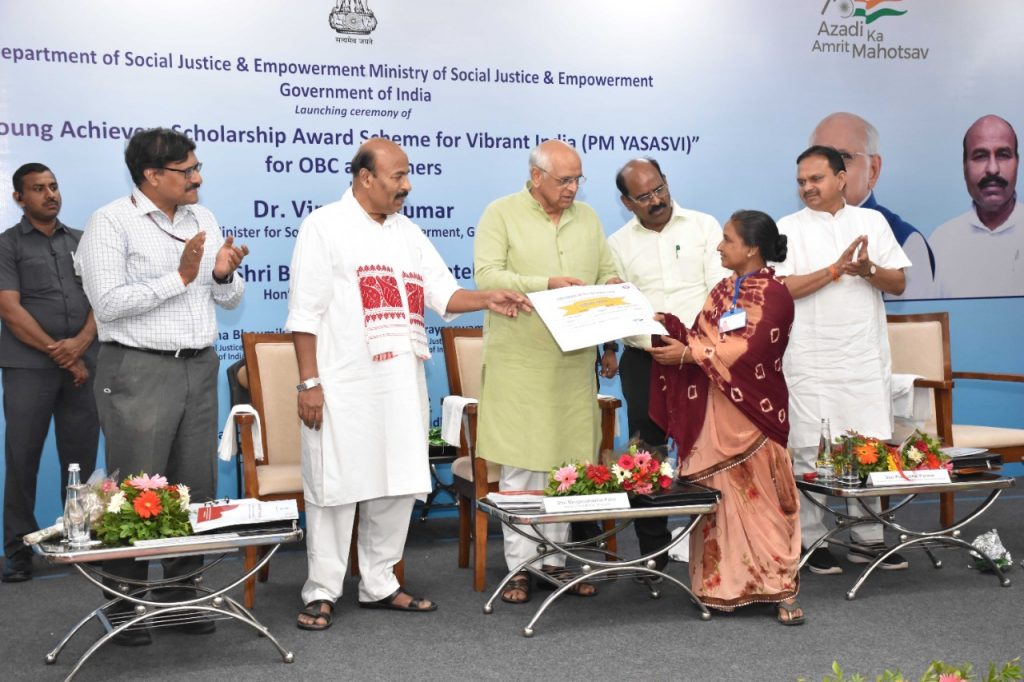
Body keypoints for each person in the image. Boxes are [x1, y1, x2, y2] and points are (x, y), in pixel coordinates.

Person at [287, 138, 530, 630]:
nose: (407, 185)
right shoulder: (324, 226)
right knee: (335, 488)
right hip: (342, 383)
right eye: (398, 176)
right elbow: (304, 314)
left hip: (400, 382)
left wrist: (488, 298)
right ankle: (322, 590)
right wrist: (309, 382)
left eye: (407, 175)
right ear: (365, 178)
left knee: (396, 483)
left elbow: (444, 294)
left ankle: (379, 583)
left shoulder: (408, 233)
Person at [78, 127, 248, 646]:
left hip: (198, 367)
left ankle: (181, 596)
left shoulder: (203, 218)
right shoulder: (111, 222)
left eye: (197, 168)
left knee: (194, 486)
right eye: (186, 170)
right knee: (137, 490)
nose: (197, 178)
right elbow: (108, 304)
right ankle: (125, 602)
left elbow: (229, 299)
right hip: (138, 368)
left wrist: (222, 275)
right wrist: (180, 277)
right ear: (152, 175)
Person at [474, 140, 620, 604]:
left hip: (573, 364)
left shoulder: (589, 218)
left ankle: (555, 563)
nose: (572, 188)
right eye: (564, 180)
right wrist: (545, 285)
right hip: (521, 361)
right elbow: (487, 276)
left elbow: (606, 270)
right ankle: (520, 568)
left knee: (565, 465)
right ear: (536, 176)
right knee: (521, 466)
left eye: (578, 179)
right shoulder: (501, 213)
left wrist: (614, 287)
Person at [648, 210, 803, 624]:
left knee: (763, 501)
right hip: (713, 411)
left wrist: (689, 354)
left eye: (728, 239)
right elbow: (702, 338)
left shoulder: (775, 293)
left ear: (751, 248)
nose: (719, 246)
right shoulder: (721, 290)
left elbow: (752, 349)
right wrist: (672, 330)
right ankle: (720, 588)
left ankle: (781, 587)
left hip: (754, 412)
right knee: (718, 500)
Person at [775, 145, 911, 575]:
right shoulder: (788, 228)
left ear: (841, 178)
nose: (808, 188)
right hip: (809, 358)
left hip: (861, 357)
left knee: (866, 445)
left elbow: (899, 282)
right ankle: (812, 541)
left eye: (816, 179)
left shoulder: (872, 223)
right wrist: (834, 270)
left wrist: (867, 269)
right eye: (801, 182)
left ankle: (867, 539)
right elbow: (781, 288)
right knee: (809, 451)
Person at [605, 157, 729, 572]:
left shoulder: (704, 226)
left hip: (701, 356)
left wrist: (692, 347)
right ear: (626, 202)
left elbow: (719, 292)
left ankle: (715, 549)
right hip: (646, 359)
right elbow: (617, 305)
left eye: (659, 188)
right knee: (646, 456)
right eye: (644, 196)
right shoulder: (617, 244)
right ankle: (652, 555)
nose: (656, 200)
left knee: (710, 449)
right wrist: (618, 346)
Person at [0, 163, 98, 583]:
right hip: (29, 367)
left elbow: (103, 299)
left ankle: (78, 539)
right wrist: (65, 355)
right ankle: (18, 550)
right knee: (23, 458)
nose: (50, 194)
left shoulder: (81, 241)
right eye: (38, 188)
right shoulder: (7, 245)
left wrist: (80, 345)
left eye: (54, 186)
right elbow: (9, 309)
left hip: (84, 363)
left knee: (81, 459)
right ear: (19, 198)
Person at [810, 112, 935, 299]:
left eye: (844, 157)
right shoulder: (792, 232)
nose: (829, 171)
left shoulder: (905, 242)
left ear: (873, 170)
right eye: (819, 158)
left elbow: (913, 318)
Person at [931, 115, 1023, 298]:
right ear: (964, 167)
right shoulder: (940, 243)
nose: (993, 169)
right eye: (980, 156)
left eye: (1003, 155)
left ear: (1017, 163)